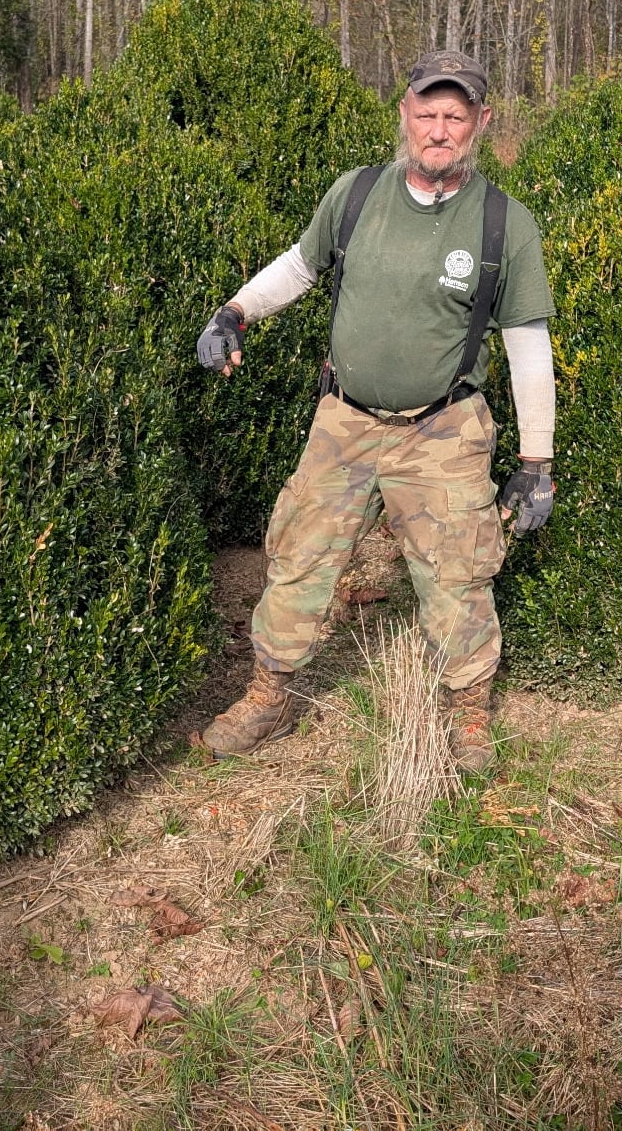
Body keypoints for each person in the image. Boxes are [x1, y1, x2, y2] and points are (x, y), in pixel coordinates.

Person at [193, 50, 557, 776]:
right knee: (298, 556)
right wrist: (234, 311)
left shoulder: (503, 224)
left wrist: (536, 462)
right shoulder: (355, 194)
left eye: (456, 116)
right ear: (405, 114)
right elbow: (300, 266)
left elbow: (527, 344)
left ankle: (470, 715)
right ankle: (268, 694)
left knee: (458, 575)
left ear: (481, 123)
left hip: (444, 428)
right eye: (428, 113)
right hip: (345, 421)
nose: (440, 129)